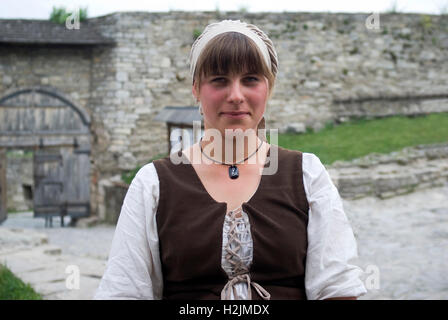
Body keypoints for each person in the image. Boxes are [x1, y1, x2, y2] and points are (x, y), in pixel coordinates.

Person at [94, 19, 367, 300]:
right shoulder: (153, 183)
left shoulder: (306, 174)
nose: (236, 96)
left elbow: (336, 289)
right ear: (196, 89)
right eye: (219, 80)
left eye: (250, 79)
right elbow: (125, 291)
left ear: (269, 87)